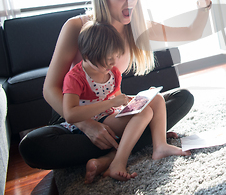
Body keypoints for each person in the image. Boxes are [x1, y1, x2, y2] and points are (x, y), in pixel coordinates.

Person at [19, 0, 211, 183]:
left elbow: (192, 32)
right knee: (32, 146)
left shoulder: (138, 27)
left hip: (112, 112)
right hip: (74, 114)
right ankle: (140, 139)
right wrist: (87, 126)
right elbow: (50, 88)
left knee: (182, 97)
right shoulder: (77, 27)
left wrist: (204, 3)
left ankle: (114, 153)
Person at [62, 21, 189, 181]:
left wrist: (135, 99)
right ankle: (117, 162)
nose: (114, 63)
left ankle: (160, 145)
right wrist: (110, 103)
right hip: (92, 121)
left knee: (156, 99)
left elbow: (116, 97)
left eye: (116, 56)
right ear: (88, 56)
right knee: (145, 114)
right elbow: (70, 114)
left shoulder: (112, 72)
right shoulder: (75, 77)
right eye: (109, 58)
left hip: (110, 114)